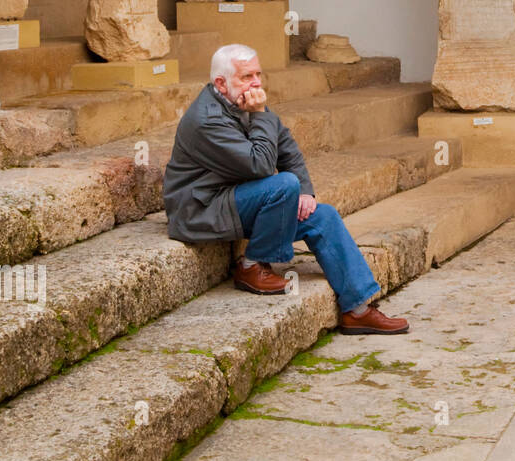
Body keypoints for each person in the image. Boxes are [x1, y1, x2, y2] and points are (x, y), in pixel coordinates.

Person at [162, 42, 408, 334]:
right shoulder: (208, 120)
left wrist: (304, 191)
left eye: (258, 74)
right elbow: (261, 166)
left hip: (235, 199)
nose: (256, 83)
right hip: (201, 209)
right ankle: (252, 266)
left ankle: (357, 310)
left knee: (323, 216)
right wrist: (261, 114)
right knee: (282, 185)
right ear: (221, 83)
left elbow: (287, 149)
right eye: (246, 77)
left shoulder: (244, 102)